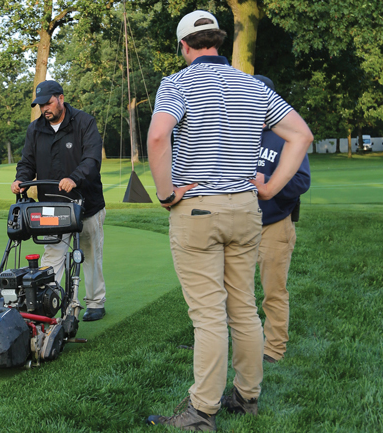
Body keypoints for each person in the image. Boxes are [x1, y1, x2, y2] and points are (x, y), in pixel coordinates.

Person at [144, 10, 313, 431]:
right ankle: (247, 396)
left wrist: (166, 193)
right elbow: (301, 135)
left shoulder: (177, 82)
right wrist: (270, 189)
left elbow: (159, 136)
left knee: (208, 315)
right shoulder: (252, 84)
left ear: (184, 46)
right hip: (245, 209)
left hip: (198, 209)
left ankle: (202, 411)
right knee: (243, 309)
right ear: (217, 41)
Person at [11, 80, 107, 322]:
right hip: (51, 207)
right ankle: (47, 303)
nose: (45, 108)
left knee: (89, 254)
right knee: (52, 256)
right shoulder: (35, 129)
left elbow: (92, 159)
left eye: (48, 102)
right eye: (40, 105)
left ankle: (95, 302)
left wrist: (75, 178)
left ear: (61, 98)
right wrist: (21, 180)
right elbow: (27, 163)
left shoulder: (84, 122)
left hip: (86, 204)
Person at [253, 75, 311, 364]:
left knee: (273, 292)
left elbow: (301, 181)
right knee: (227, 291)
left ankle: (273, 349)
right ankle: (229, 342)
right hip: (237, 225)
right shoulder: (237, 133)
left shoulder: (287, 135)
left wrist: (268, 184)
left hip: (273, 225)